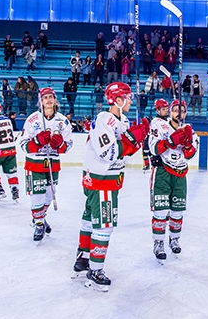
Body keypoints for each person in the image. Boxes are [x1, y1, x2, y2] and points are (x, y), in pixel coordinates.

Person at [73, 82, 149, 291]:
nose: (131, 100)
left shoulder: (121, 120)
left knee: (89, 219)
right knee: (104, 225)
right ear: (117, 99)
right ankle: (95, 270)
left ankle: (83, 258)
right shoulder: (105, 119)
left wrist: (136, 137)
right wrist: (132, 137)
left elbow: (125, 150)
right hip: (102, 181)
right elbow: (108, 153)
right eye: (128, 97)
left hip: (101, 179)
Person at [19, 87, 73, 241]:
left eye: (51, 97)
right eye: (45, 98)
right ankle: (39, 224)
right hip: (34, 164)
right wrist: (36, 142)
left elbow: (68, 145)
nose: (48, 100)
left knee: (49, 195)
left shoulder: (63, 121)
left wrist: (60, 145)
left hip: (52, 164)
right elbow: (23, 144)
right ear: (40, 101)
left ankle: (39, 217)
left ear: (55, 100)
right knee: (37, 195)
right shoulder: (32, 119)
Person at [147, 99, 197, 261]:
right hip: (162, 172)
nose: (178, 113)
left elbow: (190, 155)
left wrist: (187, 143)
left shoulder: (191, 131)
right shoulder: (159, 125)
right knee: (160, 211)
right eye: (175, 110)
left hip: (180, 174)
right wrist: (171, 140)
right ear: (169, 111)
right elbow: (154, 148)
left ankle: (174, 239)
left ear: (186, 113)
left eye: (182, 110)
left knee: (177, 211)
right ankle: (158, 242)